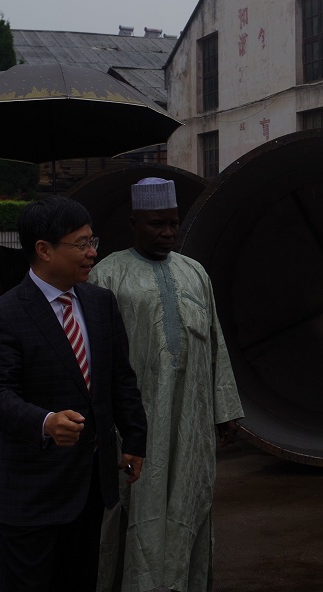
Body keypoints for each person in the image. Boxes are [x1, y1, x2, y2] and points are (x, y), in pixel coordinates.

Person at [0, 195, 147, 592]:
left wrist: (135, 439)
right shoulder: (3, 316)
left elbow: (120, 378)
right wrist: (46, 422)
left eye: (92, 241)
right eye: (81, 244)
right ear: (44, 250)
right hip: (32, 491)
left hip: (89, 485)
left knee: (79, 580)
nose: (92, 253)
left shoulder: (100, 303)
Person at [90, 177, 244, 592]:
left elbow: (215, 342)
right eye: (157, 224)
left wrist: (225, 409)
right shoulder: (107, 275)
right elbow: (95, 358)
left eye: (173, 223)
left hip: (192, 417)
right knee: (134, 504)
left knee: (190, 500)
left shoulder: (194, 272)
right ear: (134, 224)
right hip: (135, 424)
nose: (168, 232)